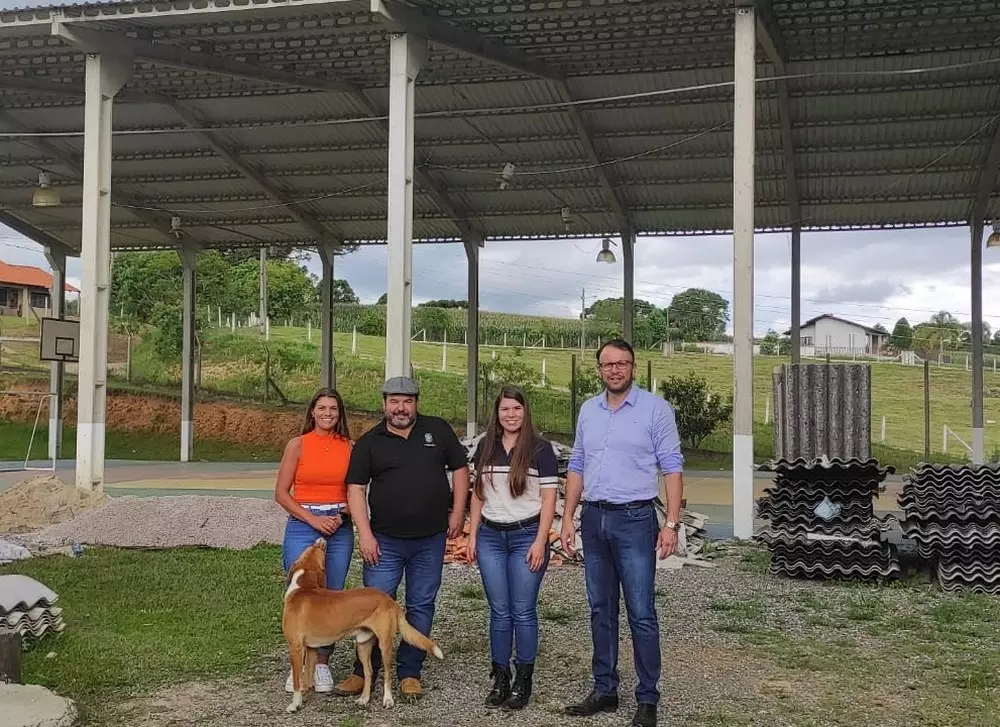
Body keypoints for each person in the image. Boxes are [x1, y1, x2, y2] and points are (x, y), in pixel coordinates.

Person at [559, 339, 684, 727]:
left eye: (622, 364)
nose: (615, 370)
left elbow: (672, 467)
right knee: (600, 609)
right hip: (594, 519)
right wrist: (567, 517)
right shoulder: (588, 411)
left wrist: (671, 524)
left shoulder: (655, 409)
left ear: (633, 367)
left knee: (641, 612)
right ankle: (605, 689)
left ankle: (647, 698)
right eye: (607, 364)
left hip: (634, 519)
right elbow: (577, 462)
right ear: (599, 369)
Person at [333, 375, 470, 701]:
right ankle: (363, 671)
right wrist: (364, 534)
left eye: (407, 401)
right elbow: (355, 489)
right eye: (394, 401)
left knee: (421, 604)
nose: (400, 408)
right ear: (384, 404)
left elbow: (461, 470)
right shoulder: (370, 442)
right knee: (371, 609)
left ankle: (410, 672)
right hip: (384, 542)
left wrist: (457, 511)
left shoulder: (438, 430)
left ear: (416, 403)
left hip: (430, 539)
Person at [466, 385, 559, 711]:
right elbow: (478, 494)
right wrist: (473, 534)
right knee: (499, 611)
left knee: (522, 610)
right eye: (505, 409)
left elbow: (549, 499)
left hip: (526, 535)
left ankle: (523, 679)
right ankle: (501, 676)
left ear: (525, 412)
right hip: (491, 537)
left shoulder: (540, 449)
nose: (510, 415)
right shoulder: (485, 446)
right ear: (497, 413)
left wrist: (540, 540)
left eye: (516, 409)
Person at [274, 387, 355, 694]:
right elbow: (282, 493)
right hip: (302, 523)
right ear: (312, 412)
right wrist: (313, 521)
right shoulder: (298, 445)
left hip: (338, 527)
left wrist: (341, 517)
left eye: (333, 409)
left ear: (340, 414)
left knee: (331, 594)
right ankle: (299, 661)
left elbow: (356, 491)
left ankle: (322, 662)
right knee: (300, 591)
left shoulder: (349, 447)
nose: (327, 414)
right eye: (322, 408)